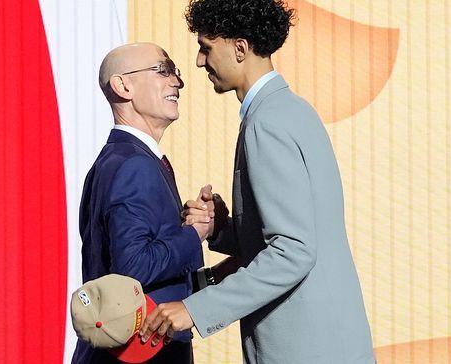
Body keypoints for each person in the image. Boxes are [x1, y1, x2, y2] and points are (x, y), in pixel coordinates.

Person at [140, 1, 376, 363]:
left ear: (239, 49)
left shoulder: (266, 123)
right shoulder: (293, 110)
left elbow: (292, 251)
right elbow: (298, 232)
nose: (200, 62)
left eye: (206, 48)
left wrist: (195, 309)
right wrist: (222, 228)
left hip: (305, 348)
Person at [72, 42, 207, 364]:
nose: (177, 81)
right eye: (163, 70)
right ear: (123, 85)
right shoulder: (134, 164)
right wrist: (194, 232)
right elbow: (132, 267)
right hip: (142, 350)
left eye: (176, 71)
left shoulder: (125, 158)